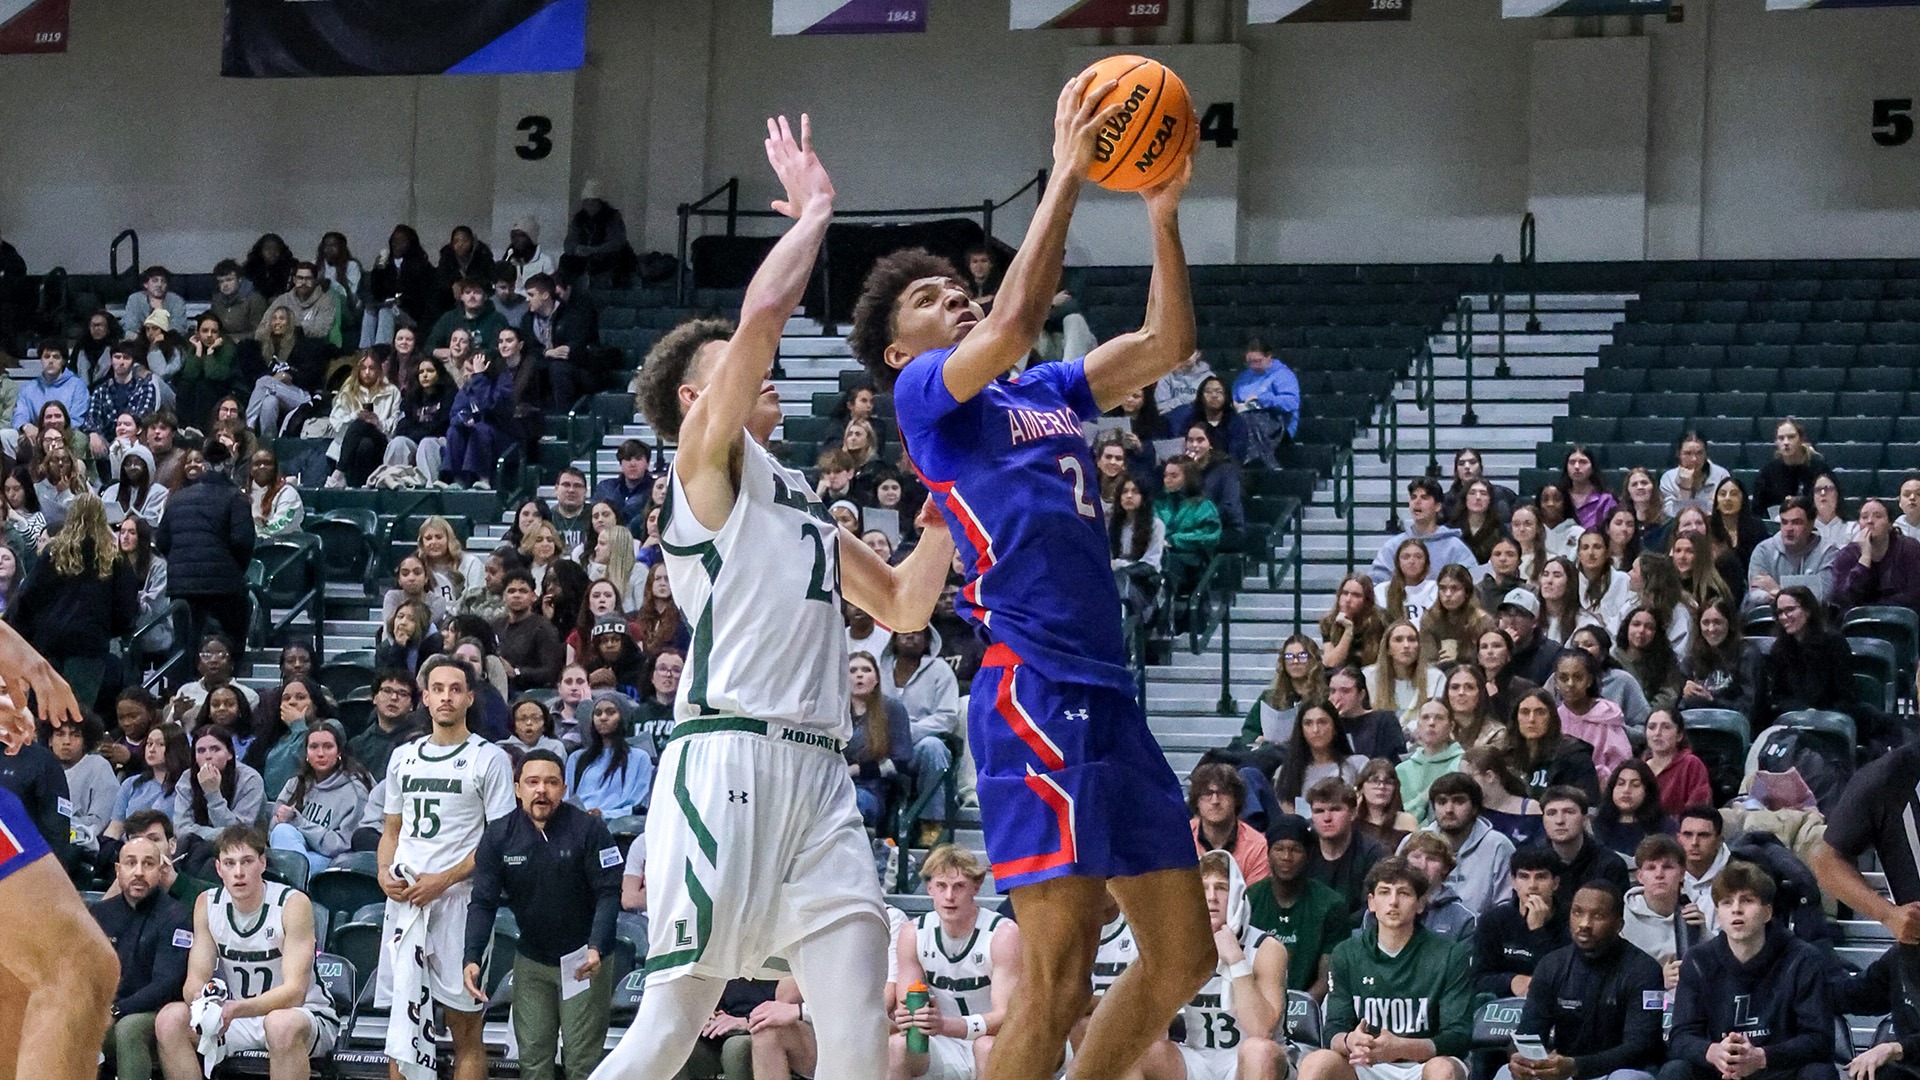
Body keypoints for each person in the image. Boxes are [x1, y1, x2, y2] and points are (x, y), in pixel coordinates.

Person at [848, 80, 1219, 1080]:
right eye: (931, 299)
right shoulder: (929, 399)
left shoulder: (1045, 389)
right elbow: (1009, 326)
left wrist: (1160, 215)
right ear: (899, 348)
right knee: (1055, 981)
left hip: (1108, 688)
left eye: (956, 287)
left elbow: (1167, 347)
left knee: (1184, 957)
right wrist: (1066, 171)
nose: (955, 298)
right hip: (1032, 688)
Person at [590, 115, 966, 1080]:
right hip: (729, 761)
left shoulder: (798, 498)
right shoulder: (702, 474)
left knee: (855, 1034)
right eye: (733, 372)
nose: (763, 373)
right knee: (669, 1032)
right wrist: (817, 216)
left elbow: (904, 608)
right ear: (695, 399)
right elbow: (759, 322)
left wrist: (951, 493)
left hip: (822, 779)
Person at [375, 656, 515, 1080]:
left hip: (461, 902)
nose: (446, 697)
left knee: (465, 1029)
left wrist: (445, 879)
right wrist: (384, 874)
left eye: (456, 689)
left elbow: (499, 841)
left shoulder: (489, 759)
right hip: (407, 903)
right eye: (438, 688)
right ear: (426, 696)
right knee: (403, 1027)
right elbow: (391, 831)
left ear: (470, 698)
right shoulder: (402, 757)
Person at [464, 749, 621, 1080]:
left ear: (563, 788)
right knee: (533, 1062)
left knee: (582, 1063)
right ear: (517, 787)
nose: (542, 790)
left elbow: (609, 893)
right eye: (532, 782)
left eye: (551, 782)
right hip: (532, 960)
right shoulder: (498, 834)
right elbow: (482, 901)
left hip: (583, 960)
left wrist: (596, 946)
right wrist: (472, 956)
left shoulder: (590, 829)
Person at [153, 826, 338, 1080]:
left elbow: (295, 993)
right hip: (238, 1016)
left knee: (280, 1025)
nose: (238, 872)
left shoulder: (292, 903)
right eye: (229, 863)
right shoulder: (208, 904)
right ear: (219, 869)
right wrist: (203, 1000)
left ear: (262, 863)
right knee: (169, 1019)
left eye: (247, 861)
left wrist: (236, 1009)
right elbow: (194, 980)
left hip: (303, 1015)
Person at [1299, 857, 1474, 1080]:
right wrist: (1349, 1040)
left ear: (1420, 903)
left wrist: (1401, 1047)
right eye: (1384, 892)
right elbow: (1334, 1028)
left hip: (1422, 1063)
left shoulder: (1450, 954)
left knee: (1444, 1070)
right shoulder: (1346, 953)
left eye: (1404, 893)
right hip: (1366, 1063)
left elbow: (1458, 1037)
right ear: (1371, 902)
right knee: (1317, 1062)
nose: (1393, 901)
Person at [1663, 860, 1837, 1080]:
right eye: (1727, 902)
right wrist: (1713, 1052)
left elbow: (1819, 1039)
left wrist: (1761, 1057)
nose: (1736, 909)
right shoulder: (1698, 960)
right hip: (1721, 1071)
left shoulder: (1804, 959)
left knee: (1820, 1073)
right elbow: (1680, 1037)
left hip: (1777, 1070)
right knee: (1675, 1071)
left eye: (1747, 901)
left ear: (1767, 912)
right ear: (1717, 914)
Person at [1135, 850, 1288, 1080]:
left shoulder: (1266, 948)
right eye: (1203, 888)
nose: (1211, 897)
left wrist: (1236, 961)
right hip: (1198, 1057)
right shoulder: (1179, 947)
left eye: (1221, 888)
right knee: (1137, 1052)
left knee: (1258, 1051)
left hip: (1246, 1061)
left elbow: (1261, 1029)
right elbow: (1153, 1032)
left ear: (1237, 893)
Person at [1503, 882, 1666, 1080]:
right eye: (1577, 913)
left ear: (1619, 924)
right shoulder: (1551, 965)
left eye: (1598, 916)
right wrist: (1520, 1059)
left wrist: (1576, 1066)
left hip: (1621, 1071)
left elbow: (1641, 1047)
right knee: (1506, 1073)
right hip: (1564, 1071)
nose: (1584, 924)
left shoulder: (1644, 970)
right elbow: (1529, 1032)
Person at [890, 845, 1021, 1080]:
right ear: (929, 888)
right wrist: (908, 1017)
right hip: (942, 1043)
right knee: (898, 1045)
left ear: (977, 886)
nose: (949, 896)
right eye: (941, 886)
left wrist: (947, 1025)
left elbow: (1007, 1018)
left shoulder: (1003, 933)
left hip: (989, 1040)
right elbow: (906, 1003)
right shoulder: (913, 933)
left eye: (959, 886)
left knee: (987, 1048)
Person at [8, 493, 138, 710]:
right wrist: (108, 630)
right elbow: (125, 610)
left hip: (48, 644)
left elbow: (27, 597)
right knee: (77, 713)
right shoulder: (114, 558)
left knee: (44, 710)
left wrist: (24, 634)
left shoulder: (52, 552)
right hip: (89, 645)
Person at [92, 835, 193, 1080]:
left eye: (148, 864)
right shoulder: (99, 913)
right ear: (118, 870)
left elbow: (165, 984)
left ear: (160, 870)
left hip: (157, 1011)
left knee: (129, 1028)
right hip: (110, 1008)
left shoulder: (177, 916)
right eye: (130, 863)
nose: (139, 872)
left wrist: (116, 1011)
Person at [154, 440, 254, 647]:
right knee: (226, 647)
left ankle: (183, 679)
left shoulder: (177, 498)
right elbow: (243, 542)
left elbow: (162, 541)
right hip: (224, 587)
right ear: (228, 465)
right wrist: (234, 570)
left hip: (182, 587)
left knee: (186, 647)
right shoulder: (235, 497)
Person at [1246, 811, 1351, 999]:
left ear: (1308, 855)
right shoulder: (1250, 899)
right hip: (1256, 1004)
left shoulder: (1330, 904)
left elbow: (1328, 978)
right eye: (1279, 849)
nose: (1287, 856)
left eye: (1295, 849)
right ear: (1268, 853)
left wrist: (1299, 1008)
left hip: (1311, 1006)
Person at [268, 720, 372, 875]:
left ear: (339, 753)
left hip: (334, 861)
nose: (321, 753)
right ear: (306, 753)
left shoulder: (355, 791)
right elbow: (273, 833)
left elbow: (344, 845)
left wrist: (300, 822)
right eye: (314, 747)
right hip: (302, 853)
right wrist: (278, 820)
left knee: (291, 852)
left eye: (328, 747)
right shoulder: (295, 784)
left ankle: (295, 889)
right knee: (282, 831)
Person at [1752, 586, 1857, 730]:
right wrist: (1803, 712)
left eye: (1790, 610)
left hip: (1832, 720)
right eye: (1780, 612)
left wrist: (1818, 715)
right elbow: (1779, 696)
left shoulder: (1834, 643)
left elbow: (1847, 695)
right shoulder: (1779, 649)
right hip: (1794, 721)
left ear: (1807, 611)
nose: (1783, 617)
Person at [1475, 846, 1570, 997]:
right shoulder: (1493, 921)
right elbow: (1477, 979)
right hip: (1500, 1008)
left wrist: (1538, 931)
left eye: (1541, 877)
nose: (1532, 885)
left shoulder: (1571, 922)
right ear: (1513, 882)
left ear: (1555, 883)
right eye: (1524, 877)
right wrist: (1512, 981)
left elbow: (1564, 979)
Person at [1421, 770, 1517, 917]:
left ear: (1475, 808)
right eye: (1441, 802)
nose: (1449, 810)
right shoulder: (1414, 843)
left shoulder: (1499, 846)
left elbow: (1506, 906)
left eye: (1458, 801)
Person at [1620, 833, 1712, 985]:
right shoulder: (1622, 917)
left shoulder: (1696, 910)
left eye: (1667, 867)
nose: (1659, 874)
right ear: (1640, 876)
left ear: (1682, 874)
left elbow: (1718, 966)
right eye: (1651, 868)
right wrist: (1658, 980)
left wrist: (1703, 932)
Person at [1529, 786, 1631, 908]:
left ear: (1585, 819)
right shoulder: (1531, 862)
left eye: (1569, 812)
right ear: (1543, 820)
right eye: (1551, 813)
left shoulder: (1610, 864)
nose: (1560, 820)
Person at [1368, 478, 1482, 585]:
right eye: (1413, 497)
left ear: (1437, 506)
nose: (1417, 502)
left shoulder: (1454, 547)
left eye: (1424, 497)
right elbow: (1376, 584)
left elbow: (1473, 583)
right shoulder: (1393, 546)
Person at [1305, 778, 1387, 917]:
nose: (1327, 818)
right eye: (1319, 811)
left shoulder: (1374, 853)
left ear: (1353, 813)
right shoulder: (1303, 848)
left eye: (1335, 809)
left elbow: (1373, 906)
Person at [1756, 495, 1846, 616]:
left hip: (1815, 626)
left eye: (1796, 522)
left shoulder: (1829, 553)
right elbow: (1755, 594)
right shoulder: (1763, 550)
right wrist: (1804, 593)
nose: (1789, 529)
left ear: (1811, 523)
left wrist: (1778, 589)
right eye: (1784, 522)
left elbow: (1823, 596)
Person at [1507, 690, 1599, 804]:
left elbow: (1590, 804)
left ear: (1551, 717)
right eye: (1525, 712)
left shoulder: (1574, 755)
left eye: (1540, 712)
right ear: (1516, 718)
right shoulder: (1507, 756)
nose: (1531, 719)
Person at [565, 696, 653, 817]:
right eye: (597, 713)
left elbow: (639, 803)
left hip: (620, 826)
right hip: (579, 823)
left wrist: (605, 814)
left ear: (623, 717)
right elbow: (567, 799)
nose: (603, 717)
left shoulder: (640, 757)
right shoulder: (576, 758)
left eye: (610, 712)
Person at [1832, 498, 1920, 615]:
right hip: (1859, 623)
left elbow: (1914, 595)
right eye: (1864, 517)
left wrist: (1873, 609)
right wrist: (1864, 559)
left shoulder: (1909, 548)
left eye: (1877, 516)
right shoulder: (1847, 555)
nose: (1870, 521)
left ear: (1890, 523)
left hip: (1901, 620)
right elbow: (1845, 599)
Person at [1553, 650, 1630, 783]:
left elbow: (1621, 764)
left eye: (1577, 677)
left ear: (1589, 680)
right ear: (1556, 681)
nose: (1570, 684)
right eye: (1564, 678)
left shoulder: (1607, 716)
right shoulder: (1554, 718)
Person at [1189, 762, 1271, 885]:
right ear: (1196, 801)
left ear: (1236, 799)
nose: (1215, 801)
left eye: (1223, 793)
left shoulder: (1258, 847)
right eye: (1207, 794)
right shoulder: (1180, 838)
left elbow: (1253, 899)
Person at [492, 570, 566, 694]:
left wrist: (516, 672)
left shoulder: (544, 628)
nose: (517, 595)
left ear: (533, 596)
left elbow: (551, 671)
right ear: (503, 597)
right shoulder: (495, 625)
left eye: (523, 591)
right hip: (497, 690)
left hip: (531, 693)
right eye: (511, 591)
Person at [1396, 700, 1464, 825]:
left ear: (1451, 726)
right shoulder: (1401, 769)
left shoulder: (1463, 763)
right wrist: (1424, 796)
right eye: (1425, 717)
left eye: (1439, 718)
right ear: (1418, 725)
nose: (1431, 723)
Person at [350, 671, 424, 783]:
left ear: (412, 705)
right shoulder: (356, 746)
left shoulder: (421, 743)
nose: (394, 697)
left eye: (403, 693)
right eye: (387, 691)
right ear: (374, 698)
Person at [1327, 667, 1411, 762]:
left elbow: (1394, 759)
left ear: (1361, 695)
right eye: (1333, 691)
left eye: (1345, 691)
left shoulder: (1383, 720)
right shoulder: (1329, 725)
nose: (1337, 697)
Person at [1754, 419, 1827, 516]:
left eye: (1791, 437)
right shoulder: (1768, 472)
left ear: (1801, 439)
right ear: (1776, 442)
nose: (1786, 442)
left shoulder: (1819, 468)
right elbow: (1758, 509)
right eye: (1781, 438)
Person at [1497, 590, 1564, 688]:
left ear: (1534, 622)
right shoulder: (1490, 648)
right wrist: (1504, 649)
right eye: (1507, 614)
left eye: (1519, 614)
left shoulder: (1552, 653)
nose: (1511, 620)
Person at [1321, 574, 1387, 670]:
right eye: (1345, 593)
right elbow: (1331, 663)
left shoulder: (1381, 620)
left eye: (1356, 595)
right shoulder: (1328, 621)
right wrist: (1348, 630)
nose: (1348, 599)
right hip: (1340, 676)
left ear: (1366, 600)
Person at [1357, 759, 1420, 852]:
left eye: (1388, 782)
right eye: (1374, 780)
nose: (1381, 786)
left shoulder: (1407, 821)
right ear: (1361, 787)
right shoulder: (1351, 821)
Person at [1677, 808, 1730, 914]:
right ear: (1678, 838)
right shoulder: (1665, 872)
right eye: (1688, 834)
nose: (1694, 842)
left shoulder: (1737, 874)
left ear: (1719, 840)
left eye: (1703, 835)